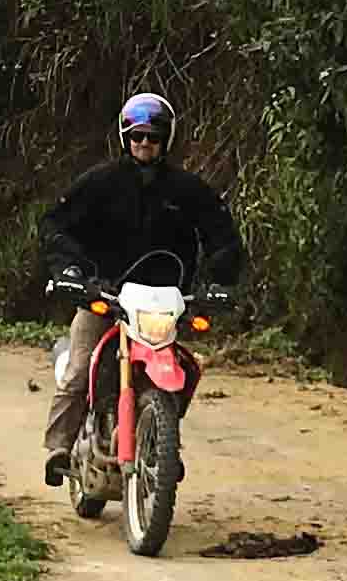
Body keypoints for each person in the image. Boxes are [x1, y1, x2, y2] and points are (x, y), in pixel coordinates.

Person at [39, 89, 247, 484]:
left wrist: (218, 281)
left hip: (166, 302)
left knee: (186, 368)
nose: (144, 143)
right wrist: (69, 271)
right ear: (125, 138)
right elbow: (56, 226)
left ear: (166, 139)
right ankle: (59, 447)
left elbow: (223, 236)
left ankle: (161, 440)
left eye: (153, 136)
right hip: (106, 295)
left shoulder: (188, 190)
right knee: (82, 367)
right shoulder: (100, 183)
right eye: (137, 136)